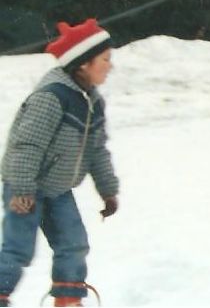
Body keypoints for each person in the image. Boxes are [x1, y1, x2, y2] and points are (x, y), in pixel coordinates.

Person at [0, 19, 120, 307]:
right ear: (83, 64)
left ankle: (68, 299)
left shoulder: (92, 102)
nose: (110, 66)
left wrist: (108, 190)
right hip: (25, 188)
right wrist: (22, 189)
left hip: (57, 190)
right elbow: (26, 145)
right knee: (18, 248)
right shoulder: (52, 97)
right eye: (105, 59)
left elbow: (97, 151)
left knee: (73, 244)